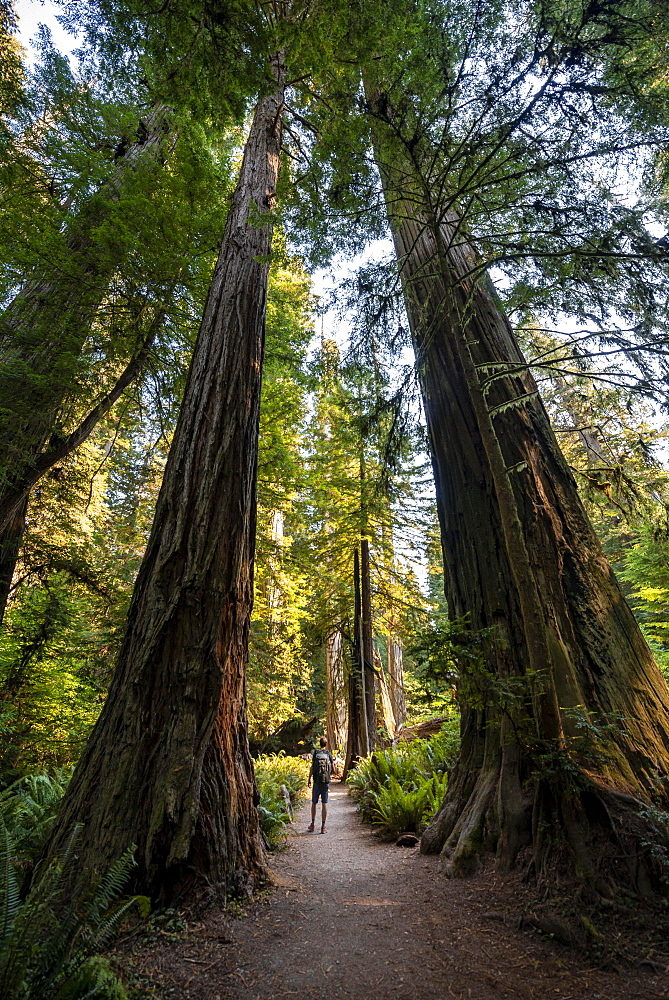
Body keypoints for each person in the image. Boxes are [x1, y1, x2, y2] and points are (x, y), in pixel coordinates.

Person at [307, 736, 336, 833]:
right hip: (325, 781)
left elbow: (312, 767)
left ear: (319, 744)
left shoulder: (316, 753)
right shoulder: (328, 753)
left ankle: (312, 824)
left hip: (316, 781)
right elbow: (333, 768)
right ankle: (323, 826)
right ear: (326, 744)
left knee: (314, 803)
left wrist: (309, 779)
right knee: (324, 803)